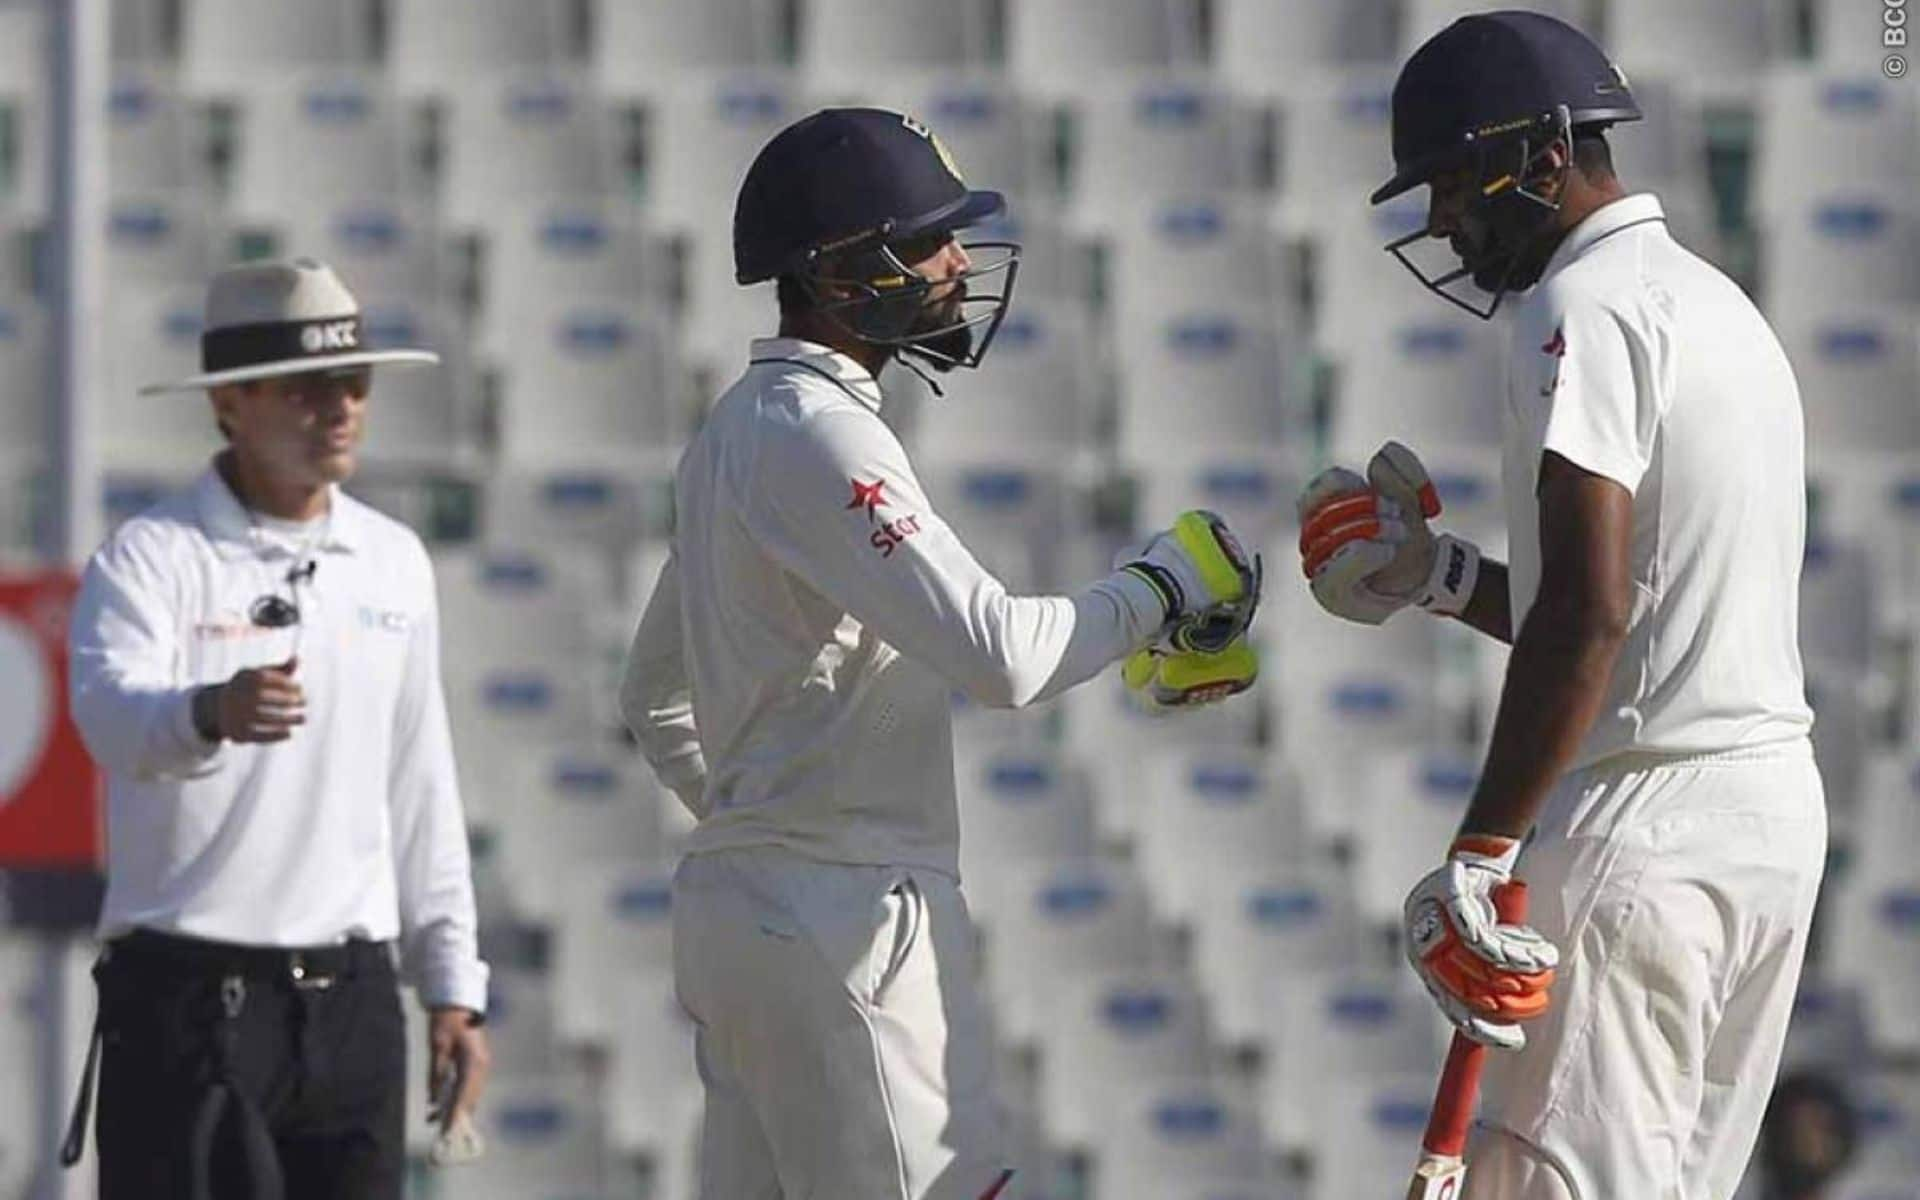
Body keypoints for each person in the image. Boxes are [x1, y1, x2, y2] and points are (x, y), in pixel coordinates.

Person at [619, 107, 1261, 1199]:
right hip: (846, 914)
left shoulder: (731, 431)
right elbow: (1000, 657)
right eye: (925, 239)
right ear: (833, 273)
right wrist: (1161, 588)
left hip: (745, 915)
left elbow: (653, 701)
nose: (958, 260)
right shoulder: (821, 429)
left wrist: (759, 823)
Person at [1295, 12, 1825, 1199]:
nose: (1441, 221)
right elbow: (1635, 613)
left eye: (1448, 182)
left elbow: (1588, 619)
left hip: (1648, 825)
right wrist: (1437, 576)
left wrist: (1481, 849)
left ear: (1542, 158)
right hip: (1770, 827)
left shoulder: (1577, 306)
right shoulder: (1718, 304)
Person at [63, 258, 492, 1198]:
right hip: (189, 1000)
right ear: (231, 405)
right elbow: (108, 719)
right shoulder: (151, 558)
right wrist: (208, 711)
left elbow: (420, 780)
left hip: (353, 1003)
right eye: (306, 390)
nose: (339, 408)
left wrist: (454, 982)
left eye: (354, 383)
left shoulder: (392, 562)